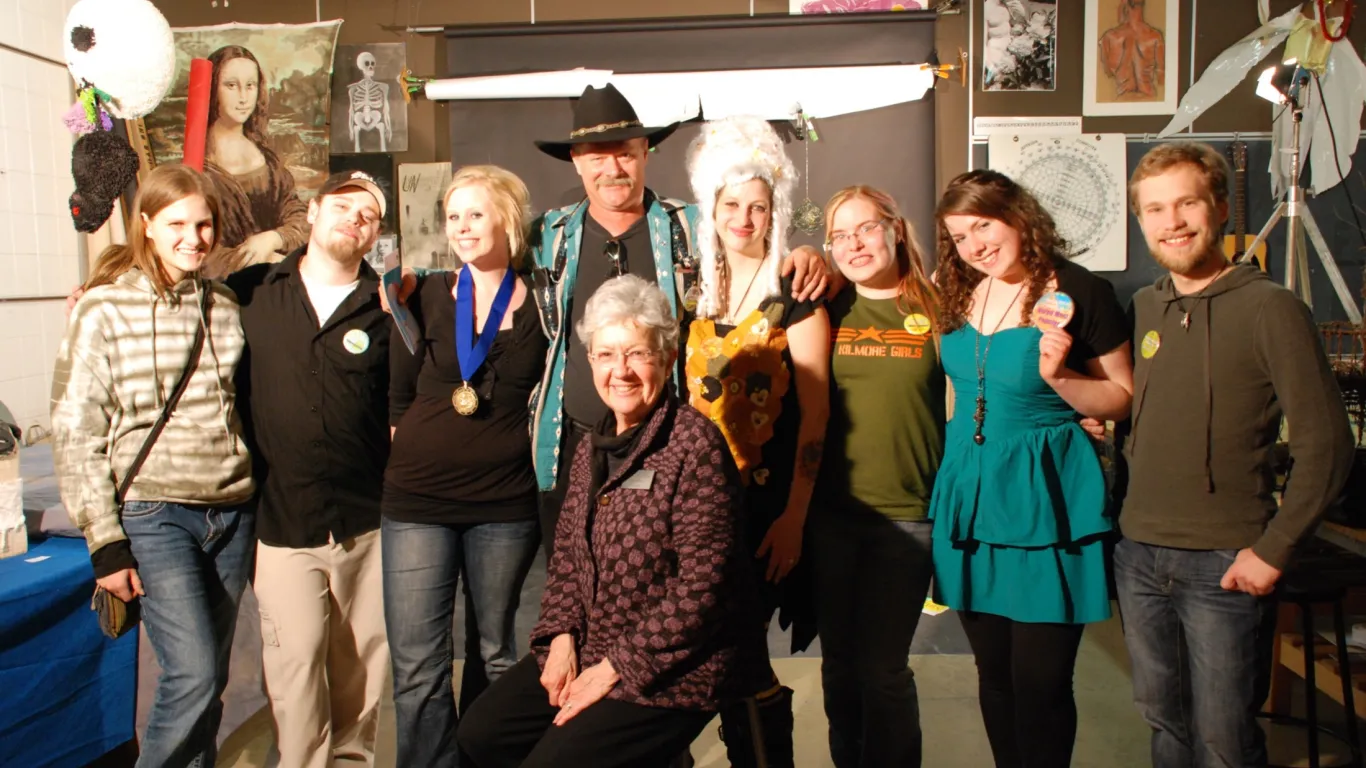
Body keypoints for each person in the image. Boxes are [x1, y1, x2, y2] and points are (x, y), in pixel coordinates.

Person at [389, 84, 834, 563]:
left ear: (645, 152)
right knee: (572, 590)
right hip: (569, 446)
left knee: (652, 588)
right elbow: (483, 261)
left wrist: (811, 260)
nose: (612, 169)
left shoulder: (691, 227)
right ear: (576, 162)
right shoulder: (547, 236)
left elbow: (755, 248)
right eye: (596, 156)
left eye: (623, 153)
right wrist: (413, 279)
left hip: (662, 444)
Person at [454, 275, 771, 768]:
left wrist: (613, 669)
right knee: (482, 733)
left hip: (677, 665)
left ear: (666, 361)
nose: (619, 371)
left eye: (637, 354)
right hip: (591, 641)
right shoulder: (593, 445)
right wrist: (560, 638)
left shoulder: (693, 444)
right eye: (605, 355)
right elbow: (566, 561)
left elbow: (703, 587)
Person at [1116, 142, 1353, 767]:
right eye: (1155, 210)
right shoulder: (1146, 307)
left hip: (1225, 562)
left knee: (1224, 740)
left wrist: (1274, 549)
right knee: (1164, 724)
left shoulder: (1271, 309)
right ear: (1141, 221)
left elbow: (1327, 443)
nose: (1172, 223)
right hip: (1139, 555)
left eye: (1187, 203)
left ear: (1219, 208)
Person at [929, 169, 1134, 768]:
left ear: (1019, 215)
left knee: (1040, 684)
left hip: (1047, 501)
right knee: (993, 677)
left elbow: (1121, 396)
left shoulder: (1081, 291)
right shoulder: (956, 288)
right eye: (960, 236)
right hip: (969, 495)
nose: (975, 246)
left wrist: (1061, 379)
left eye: (984, 225)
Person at [52, 164, 255, 767]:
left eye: (204, 224)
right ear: (146, 226)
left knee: (208, 683)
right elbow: (74, 429)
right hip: (155, 511)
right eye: (176, 224)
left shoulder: (223, 304)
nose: (193, 237)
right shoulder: (104, 310)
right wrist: (105, 543)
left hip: (233, 512)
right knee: (190, 675)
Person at [227, 170, 392, 768]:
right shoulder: (250, 292)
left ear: (375, 235)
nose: (355, 219)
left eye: (369, 215)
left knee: (361, 677)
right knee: (294, 675)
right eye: (344, 206)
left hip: (367, 525)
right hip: (283, 524)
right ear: (315, 210)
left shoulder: (389, 307)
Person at [679, 115, 830, 765]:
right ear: (712, 206)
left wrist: (795, 518)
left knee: (740, 647)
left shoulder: (797, 292)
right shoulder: (691, 290)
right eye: (732, 204)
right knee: (715, 649)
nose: (743, 218)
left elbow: (817, 417)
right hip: (696, 507)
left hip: (766, 508)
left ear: (777, 212)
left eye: (758, 206)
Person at [383, 165, 545, 767]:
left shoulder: (545, 300)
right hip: (417, 502)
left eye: (476, 214)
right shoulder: (422, 293)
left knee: (496, 652)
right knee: (418, 666)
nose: (463, 227)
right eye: (454, 217)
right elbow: (399, 396)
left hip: (503, 503)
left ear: (507, 217)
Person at [813, 185, 943, 768]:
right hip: (833, 517)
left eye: (865, 228)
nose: (854, 244)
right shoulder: (827, 308)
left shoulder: (939, 308)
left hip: (909, 516)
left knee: (883, 670)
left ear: (894, 227)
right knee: (839, 666)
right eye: (840, 235)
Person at [202, 45, 309, 277]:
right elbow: (204, 254)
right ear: (212, 90)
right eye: (231, 85)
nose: (243, 97)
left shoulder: (267, 159)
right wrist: (266, 261)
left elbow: (299, 217)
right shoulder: (198, 167)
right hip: (225, 293)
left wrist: (272, 238)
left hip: (278, 285)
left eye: (250, 86)